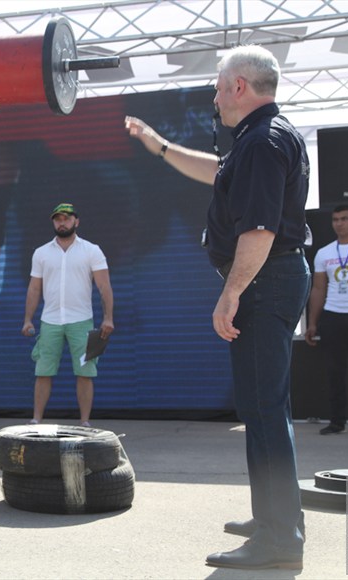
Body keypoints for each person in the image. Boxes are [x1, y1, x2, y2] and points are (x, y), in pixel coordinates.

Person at [125, 45, 309, 570]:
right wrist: (160, 146)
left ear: (239, 87)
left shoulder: (261, 142)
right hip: (272, 280)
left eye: (217, 86)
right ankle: (274, 517)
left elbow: (260, 229)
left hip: (263, 283)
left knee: (265, 411)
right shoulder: (263, 138)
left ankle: (279, 539)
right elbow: (216, 171)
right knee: (264, 409)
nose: (214, 96)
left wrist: (231, 293)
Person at [22, 202, 114, 426]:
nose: (62, 223)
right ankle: (36, 420)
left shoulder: (91, 250)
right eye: (58, 219)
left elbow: (104, 286)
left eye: (66, 219)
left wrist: (108, 318)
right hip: (50, 321)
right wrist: (27, 319)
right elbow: (34, 288)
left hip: (82, 321)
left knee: (85, 372)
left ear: (76, 221)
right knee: (43, 371)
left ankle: (84, 422)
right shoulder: (41, 253)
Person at [304, 205, 348, 434]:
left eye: (345, 219)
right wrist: (312, 322)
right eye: (335, 219)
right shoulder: (324, 253)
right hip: (334, 314)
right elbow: (318, 289)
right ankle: (337, 421)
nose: (339, 223)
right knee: (334, 371)